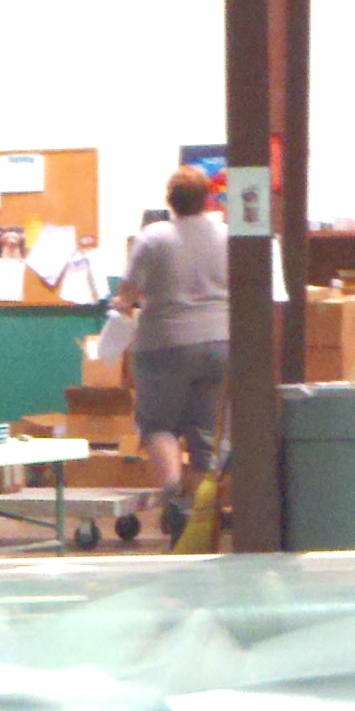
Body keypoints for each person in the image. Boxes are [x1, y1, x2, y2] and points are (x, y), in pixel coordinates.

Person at [114, 165, 231, 541]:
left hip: (164, 342)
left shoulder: (154, 237)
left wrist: (120, 306)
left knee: (157, 425)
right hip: (220, 342)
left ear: (170, 201)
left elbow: (127, 295)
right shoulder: (226, 234)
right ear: (208, 199)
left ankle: (173, 496)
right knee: (204, 430)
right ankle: (198, 514)